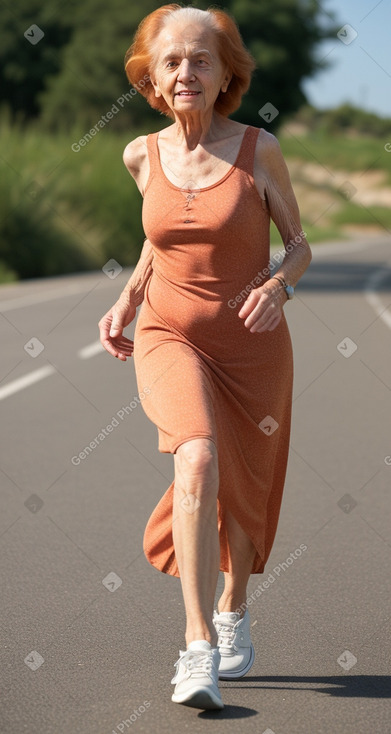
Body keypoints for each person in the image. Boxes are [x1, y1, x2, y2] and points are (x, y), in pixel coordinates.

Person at [98, 3, 312, 711]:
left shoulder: (258, 149)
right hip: (168, 333)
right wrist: (128, 300)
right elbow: (159, 241)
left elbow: (299, 244)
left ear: (225, 72)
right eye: (170, 61)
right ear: (151, 77)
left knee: (245, 484)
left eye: (200, 58)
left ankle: (231, 607)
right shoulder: (139, 153)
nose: (184, 71)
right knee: (194, 455)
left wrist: (279, 287)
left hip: (251, 345)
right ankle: (196, 649)